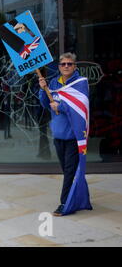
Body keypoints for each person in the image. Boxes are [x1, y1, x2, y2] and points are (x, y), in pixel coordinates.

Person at [38, 52, 89, 216]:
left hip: (74, 136)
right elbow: (46, 104)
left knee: (69, 170)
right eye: (63, 64)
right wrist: (42, 89)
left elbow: (81, 107)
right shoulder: (54, 82)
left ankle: (65, 203)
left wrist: (61, 107)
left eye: (69, 64)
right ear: (59, 67)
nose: (66, 66)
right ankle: (80, 196)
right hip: (58, 135)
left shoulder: (80, 83)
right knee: (69, 170)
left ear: (75, 66)